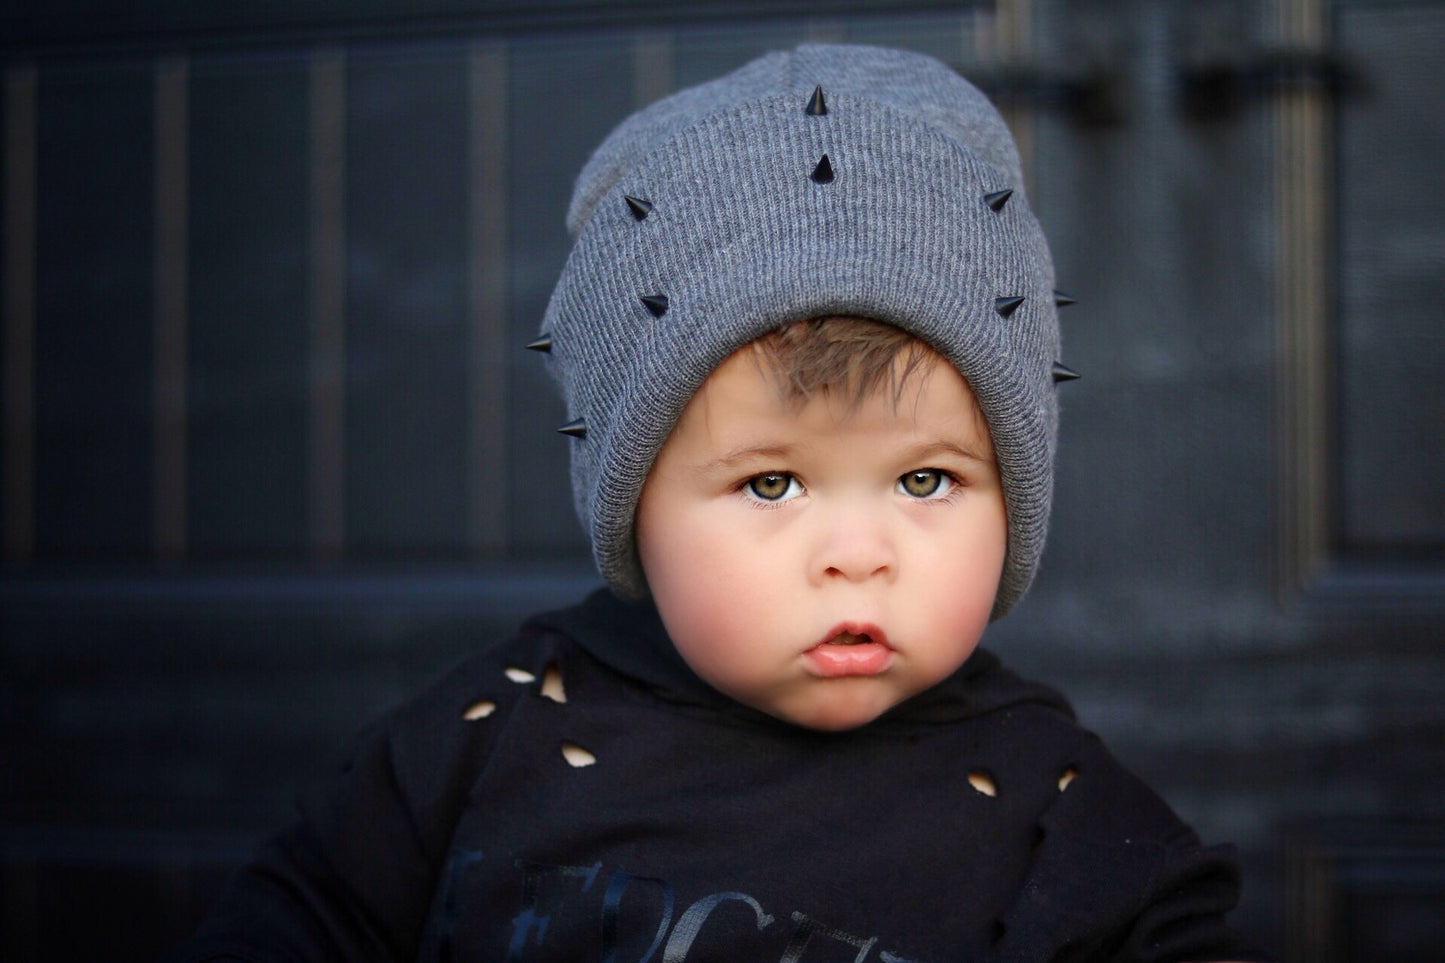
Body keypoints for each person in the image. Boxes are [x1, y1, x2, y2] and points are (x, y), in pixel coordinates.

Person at [176, 44, 1266, 962]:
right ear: (633, 505)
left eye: (924, 480)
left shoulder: (1048, 805)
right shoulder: (488, 734)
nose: (855, 553)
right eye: (769, 482)